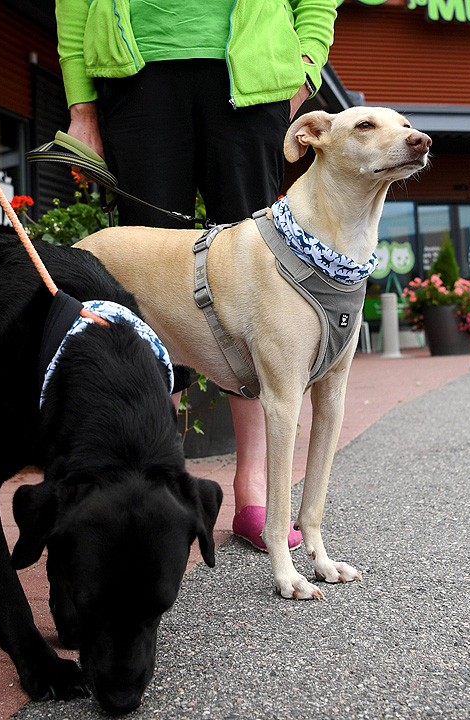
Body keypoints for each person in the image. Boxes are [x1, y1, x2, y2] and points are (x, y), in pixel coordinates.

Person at [56, 0, 340, 550]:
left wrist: (304, 70)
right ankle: (155, 480)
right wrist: (82, 108)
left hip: (252, 81)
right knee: (144, 285)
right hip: (136, 78)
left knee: (259, 279)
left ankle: (254, 490)